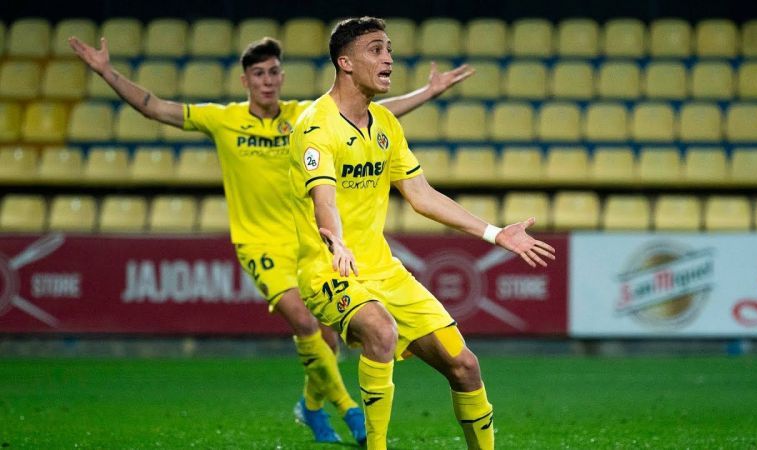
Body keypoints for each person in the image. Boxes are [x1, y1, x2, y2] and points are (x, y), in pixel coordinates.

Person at [68, 35, 473, 445]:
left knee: (330, 338)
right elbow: (153, 106)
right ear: (245, 81)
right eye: (258, 74)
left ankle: (311, 407)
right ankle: (350, 410)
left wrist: (428, 91)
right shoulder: (223, 120)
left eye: (274, 72)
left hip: (311, 243)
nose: (267, 81)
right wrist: (106, 71)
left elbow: (372, 111)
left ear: (282, 77)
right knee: (302, 318)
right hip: (260, 246)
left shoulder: (305, 116)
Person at [288, 17, 556, 450]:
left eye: (389, 49)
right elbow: (325, 198)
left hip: (384, 271)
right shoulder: (315, 127)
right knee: (380, 329)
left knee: (464, 366)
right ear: (346, 62)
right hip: (330, 269)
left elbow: (421, 195)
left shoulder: (386, 126)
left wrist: (494, 233)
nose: (389, 58)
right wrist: (335, 240)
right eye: (376, 49)